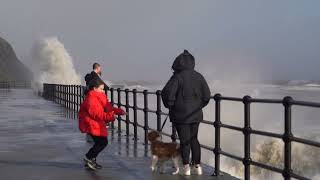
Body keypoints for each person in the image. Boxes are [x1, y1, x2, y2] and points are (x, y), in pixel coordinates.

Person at [161, 50, 211, 176]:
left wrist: (171, 106)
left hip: (180, 116)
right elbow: (207, 96)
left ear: (178, 63)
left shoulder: (177, 77)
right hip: (195, 114)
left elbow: (167, 94)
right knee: (194, 139)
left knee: (184, 141)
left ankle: (186, 167)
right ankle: (198, 166)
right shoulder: (199, 76)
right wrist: (199, 106)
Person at [78, 78, 125, 170]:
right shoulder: (91, 99)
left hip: (96, 124)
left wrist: (120, 111)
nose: (103, 91)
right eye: (101, 89)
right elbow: (96, 114)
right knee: (102, 142)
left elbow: (109, 108)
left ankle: (91, 161)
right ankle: (88, 158)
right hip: (91, 124)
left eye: (103, 89)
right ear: (94, 88)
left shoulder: (100, 97)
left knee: (99, 143)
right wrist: (110, 117)